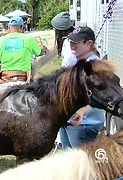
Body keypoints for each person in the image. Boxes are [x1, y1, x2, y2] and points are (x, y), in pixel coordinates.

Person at [52, 12, 105, 148]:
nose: (72, 44)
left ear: (89, 43)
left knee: (82, 164)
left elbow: (100, 95)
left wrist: (82, 112)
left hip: (84, 123)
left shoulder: (94, 65)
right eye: (71, 40)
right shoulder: (77, 61)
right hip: (70, 119)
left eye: (76, 41)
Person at [0, 16, 42, 95]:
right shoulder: (28, 39)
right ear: (22, 27)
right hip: (23, 79)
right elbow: (39, 52)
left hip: (5, 80)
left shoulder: (0, 40)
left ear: (9, 27)